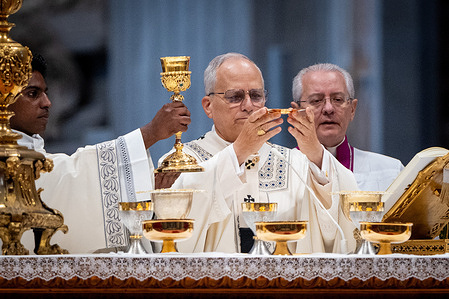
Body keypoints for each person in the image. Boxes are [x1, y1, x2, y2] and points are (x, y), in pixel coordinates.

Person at [160, 53, 359, 254]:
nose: (248, 106)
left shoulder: (293, 163)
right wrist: (239, 152)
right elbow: (171, 233)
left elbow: (342, 215)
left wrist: (316, 152)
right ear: (208, 106)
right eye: (235, 97)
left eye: (256, 96)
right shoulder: (181, 161)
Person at [7, 54, 189, 253]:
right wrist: (151, 133)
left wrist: (140, 186)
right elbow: (62, 178)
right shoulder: (7, 160)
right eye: (33, 94)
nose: (47, 102)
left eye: (45, 93)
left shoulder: (30, 149)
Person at [291, 63, 404, 191]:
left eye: (338, 99)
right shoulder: (279, 173)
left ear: (352, 109)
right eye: (316, 100)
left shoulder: (391, 173)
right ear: (296, 112)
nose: (329, 109)